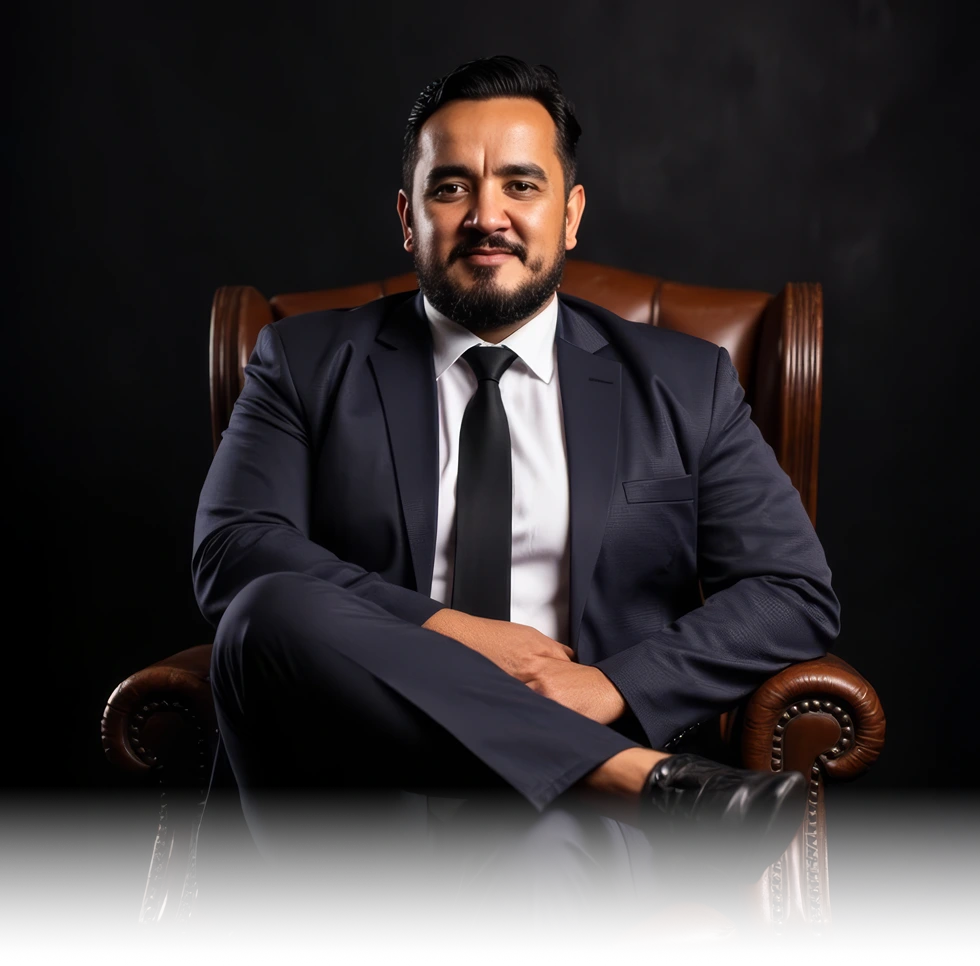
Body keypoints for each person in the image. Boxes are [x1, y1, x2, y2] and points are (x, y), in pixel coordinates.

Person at [192, 54, 840, 965]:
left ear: (569, 213)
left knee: (536, 851)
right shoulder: (302, 363)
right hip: (352, 808)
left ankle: (596, 781)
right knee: (265, 609)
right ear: (408, 216)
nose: (486, 215)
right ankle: (637, 782)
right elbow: (232, 553)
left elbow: (792, 591)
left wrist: (613, 688)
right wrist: (456, 633)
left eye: (520, 185)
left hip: (573, 827)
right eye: (452, 186)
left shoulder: (684, 384)